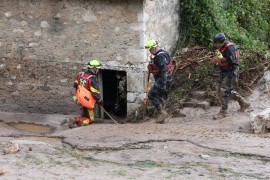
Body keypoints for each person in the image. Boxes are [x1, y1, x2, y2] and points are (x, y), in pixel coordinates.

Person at [211, 33, 250, 120]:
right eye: (215, 44)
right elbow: (218, 58)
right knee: (222, 89)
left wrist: (234, 74)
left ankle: (223, 112)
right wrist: (213, 67)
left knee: (224, 90)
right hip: (223, 70)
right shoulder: (217, 48)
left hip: (231, 70)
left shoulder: (230, 48)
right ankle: (243, 102)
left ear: (222, 42)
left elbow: (235, 63)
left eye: (217, 44)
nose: (216, 46)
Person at [145, 40, 173, 123]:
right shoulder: (164, 53)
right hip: (168, 79)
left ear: (153, 48)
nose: (150, 51)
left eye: (150, 50)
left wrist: (163, 83)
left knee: (151, 95)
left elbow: (164, 69)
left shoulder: (159, 57)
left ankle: (162, 113)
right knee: (162, 97)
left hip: (162, 79)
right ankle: (163, 118)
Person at [69, 59, 103, 128]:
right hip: (87, 100)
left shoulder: (81, 74)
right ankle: (76, 120)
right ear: (93, 68)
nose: (98, 70)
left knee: (84, 110)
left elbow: (75, 84)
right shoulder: (92, 78)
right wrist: (100, 101)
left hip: (79, 97)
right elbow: (95, 93)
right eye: (97, 69)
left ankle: (82, 117)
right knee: (91, 119)